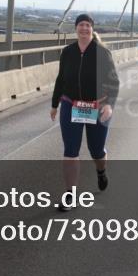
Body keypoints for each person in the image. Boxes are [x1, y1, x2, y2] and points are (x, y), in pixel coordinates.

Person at [50, 14, 120, 211]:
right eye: (80, 25)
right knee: (70, 151)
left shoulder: (102, 53)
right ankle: (70, 195)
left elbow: (113, 82)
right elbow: (60, 79)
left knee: (96, 150)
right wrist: (55, 105)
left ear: (92, 29)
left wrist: (110, 104)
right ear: (76, 28)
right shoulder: (68, 52)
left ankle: (101, 170)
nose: (84, 28)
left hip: (97, 107)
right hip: (71, 105)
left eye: (87, 25)